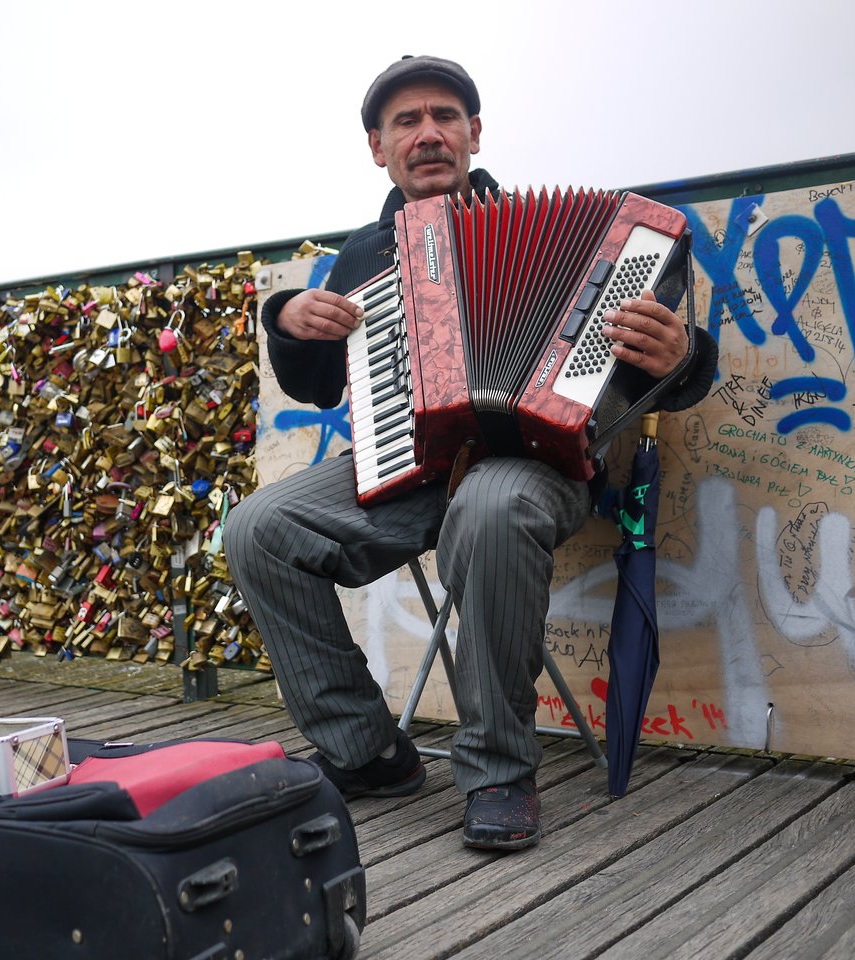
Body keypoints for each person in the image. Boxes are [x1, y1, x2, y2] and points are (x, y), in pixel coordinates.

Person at [223, 55, 717, 850]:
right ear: (376, 147)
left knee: (490, 506)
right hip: (408, 468)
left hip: (538, 465)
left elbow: (658, 373)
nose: (427, 134)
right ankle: (368, 749)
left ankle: (496, 771)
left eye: (444, 117)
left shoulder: (590, 236)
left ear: (474, 134)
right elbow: (317, 384)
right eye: (405, 122)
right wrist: (287, 320)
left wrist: (681, 354)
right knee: (256, 529)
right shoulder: (360, 256)